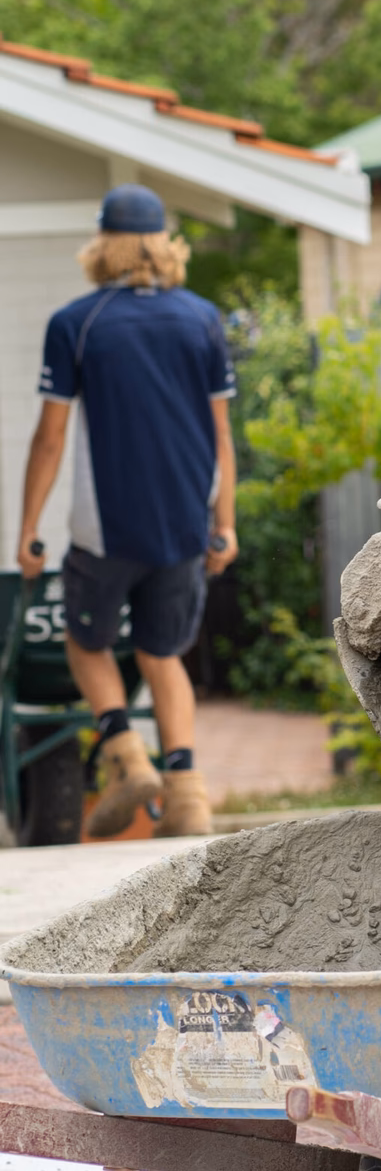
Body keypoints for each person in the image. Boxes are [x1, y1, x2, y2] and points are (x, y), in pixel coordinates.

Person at [16, 184, 238, 839]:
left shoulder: (76, 322)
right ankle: (187, 795)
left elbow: (50, 437)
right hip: (182, 527)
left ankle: (125, 756)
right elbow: (222, 437)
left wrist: (27, 529)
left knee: (86, 644)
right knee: (161, 655)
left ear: (103, 245)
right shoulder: (202, 319)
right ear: (162, 243)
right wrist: (225, 523)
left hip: (103, 530)